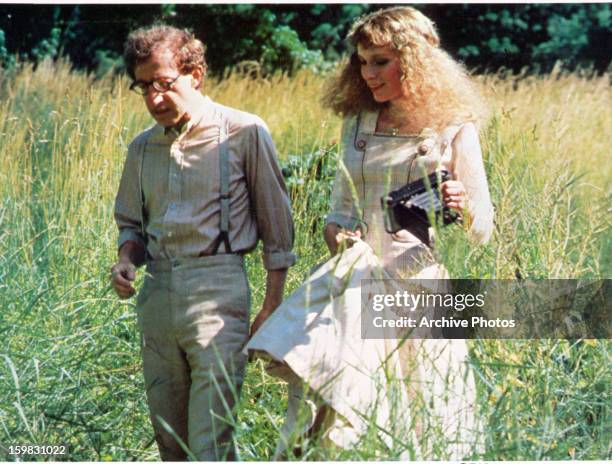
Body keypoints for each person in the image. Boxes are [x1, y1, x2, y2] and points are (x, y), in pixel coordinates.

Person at [246, 6, 494, 460]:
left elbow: (483, 229)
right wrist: (338, 235)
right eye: (362, 61)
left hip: (417, 289)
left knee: (424, 411)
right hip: (353, 285)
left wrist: (461, 204)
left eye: (381, 61)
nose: (369, 74)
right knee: (327, 407)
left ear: (414, 61)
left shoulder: (453, 127)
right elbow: (336, 213)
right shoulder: (357, 123)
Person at [110, 25, 295, 461]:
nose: (154, 98)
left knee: (210, 442)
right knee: (171, 442)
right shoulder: (142, 148)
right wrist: (125, 261)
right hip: (157, 297)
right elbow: (131, 225)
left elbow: (277, 230)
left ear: (195, 74)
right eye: (143, 88)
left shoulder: (243, 132)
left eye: (164, 83)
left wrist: (270, 306)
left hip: (218, 293)